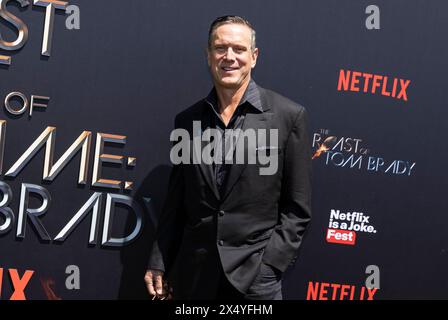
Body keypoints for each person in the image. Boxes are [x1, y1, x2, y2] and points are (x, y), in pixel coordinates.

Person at [144, 15, 312, 300]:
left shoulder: (287, 116)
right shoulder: (188, 121)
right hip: (196, 278)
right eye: (221, 48)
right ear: (208, 55)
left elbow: (298, 208)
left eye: (239, 49)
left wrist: (269, 266)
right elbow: (177, 201)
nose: (229, 57)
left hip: (256, 282)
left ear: (254, 56)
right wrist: (159, 262)